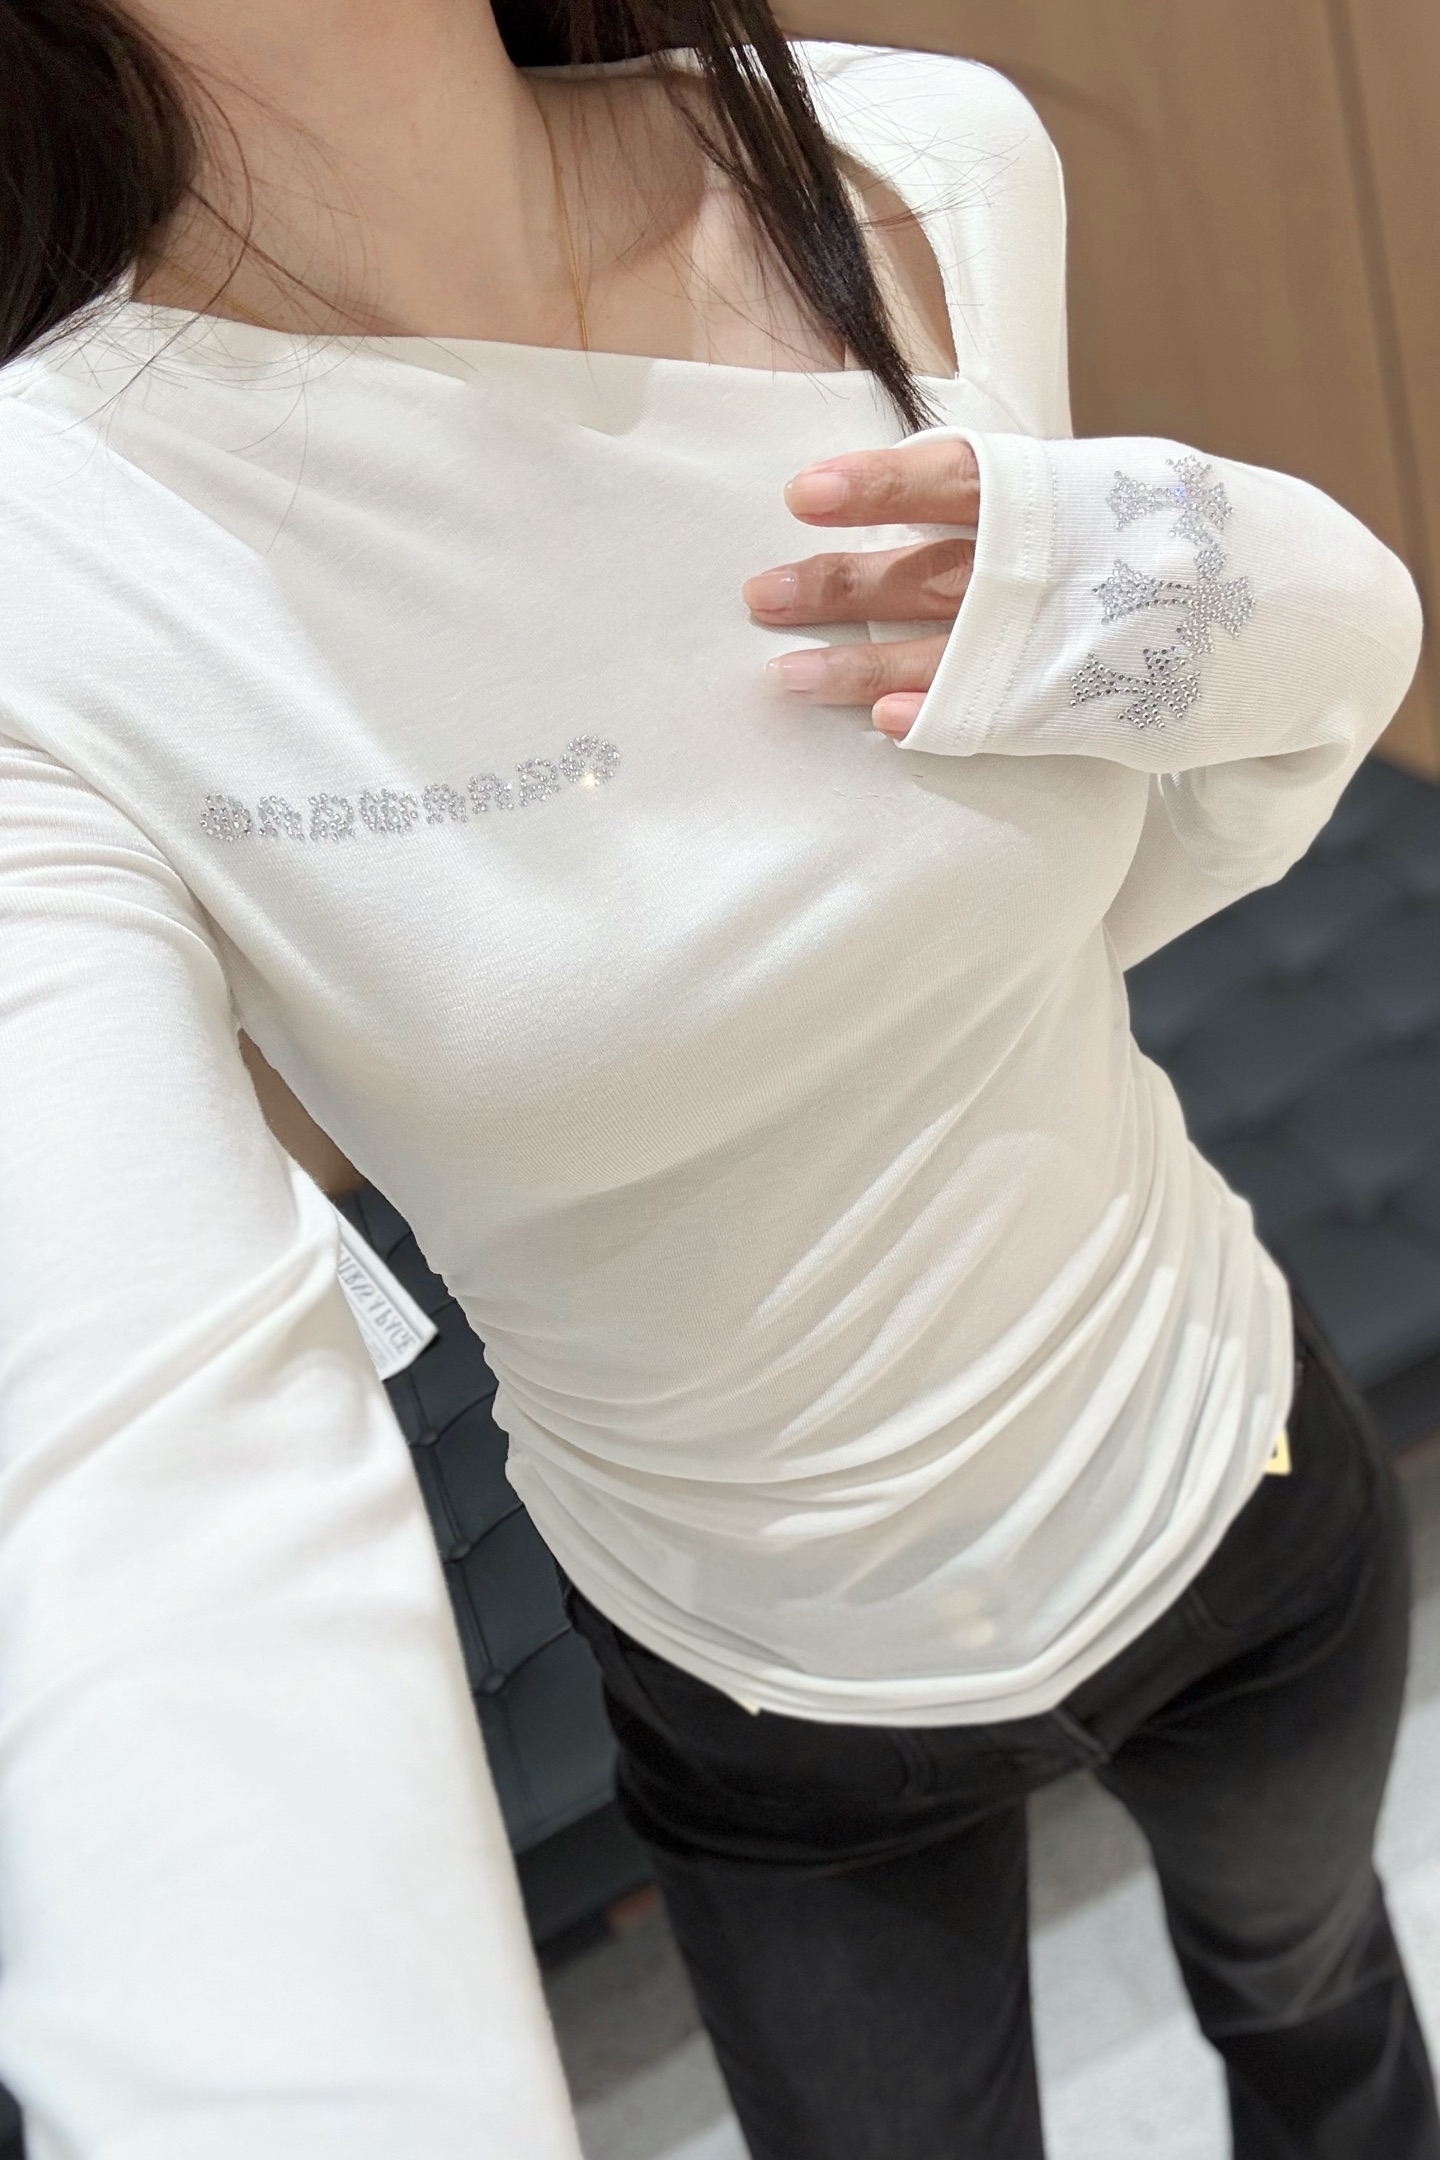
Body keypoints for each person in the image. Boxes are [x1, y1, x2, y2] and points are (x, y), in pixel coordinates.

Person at [0, 0, 1432, 2154]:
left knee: (1326, 2032)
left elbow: (1124, 858)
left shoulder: (916, 165)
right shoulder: (49, 558)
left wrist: (1219, 574)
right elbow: (136, 1490)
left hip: (1229, 1468)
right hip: (765, 1708)